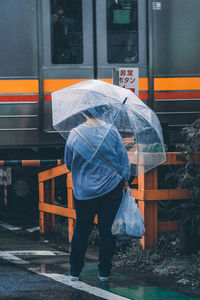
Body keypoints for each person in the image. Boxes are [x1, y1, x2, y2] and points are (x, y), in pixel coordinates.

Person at [64, 111, 130, 282]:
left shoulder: (74, 134)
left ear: (84, 112)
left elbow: (69, 164)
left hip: (83, 192)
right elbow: (123, 161)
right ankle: (104, 273)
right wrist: (124, 180)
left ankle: (74, 272)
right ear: (103, 111)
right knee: (107, 230)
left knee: (82, 229)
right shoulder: (112, 131)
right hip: (110, 189)